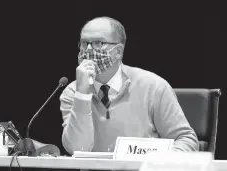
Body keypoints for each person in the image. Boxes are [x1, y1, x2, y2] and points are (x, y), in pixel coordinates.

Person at [59, 16, 199, 155]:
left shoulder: (153, 86)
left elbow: (186, 140)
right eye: (84, 43)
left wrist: (158, 161)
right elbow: (78, 149)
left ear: (118, 51)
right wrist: (82, 95)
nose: (88, 50)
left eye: (98, 43)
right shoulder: (72, 92)